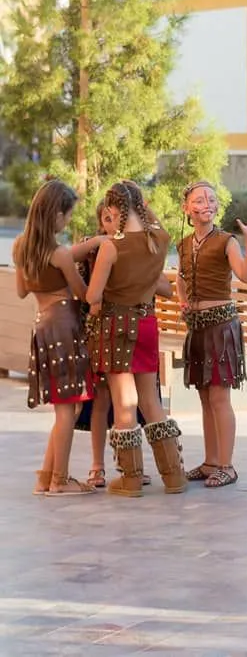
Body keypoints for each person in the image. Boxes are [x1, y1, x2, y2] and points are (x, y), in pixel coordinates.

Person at [86, 180, 188, 497]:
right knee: (151, 400)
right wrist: (137, 201)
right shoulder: (158, 239)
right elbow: (152, 220)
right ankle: (174, 476)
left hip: (116, 324)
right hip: (146, 322)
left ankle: (130, 478)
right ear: (141, 206)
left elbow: (93, 295)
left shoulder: (110, 247)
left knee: (124, 403)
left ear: (113, 209)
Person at [15, 180, 104, 495]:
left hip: (43, 326)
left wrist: (89, 245)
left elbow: (22, 290)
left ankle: (47, 476)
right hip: (65, 325)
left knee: (62, 407)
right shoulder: (61, 255)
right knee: (69, 408)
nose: (68, 222)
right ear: (56, 215)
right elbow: (83, 294)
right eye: (67, 216)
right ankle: (60, 480)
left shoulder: (21, 247)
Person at [177, 181, 247, 488]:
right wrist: (184, 303)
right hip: (198, 325)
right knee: (203, 396)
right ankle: (211, 461)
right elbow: (181, 278)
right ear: (187, 208)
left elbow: (246, 275)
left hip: (221, 326)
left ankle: (227, 464)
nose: (206, 203)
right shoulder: (185, 244)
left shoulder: (227, 240)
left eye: (211, 198)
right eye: (199, 199)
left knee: (218, 396)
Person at [75, 201, 167, 488]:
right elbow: (88, 295)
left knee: (134, 403)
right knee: (103, 400)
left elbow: (164, 287)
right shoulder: (96, 247)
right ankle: (99, 466)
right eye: (107, 217)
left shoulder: (141, 246)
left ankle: (132, 472)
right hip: (102, 331)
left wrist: (137, 281)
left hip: (124, 328)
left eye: (118, 216)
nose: (112, 222)